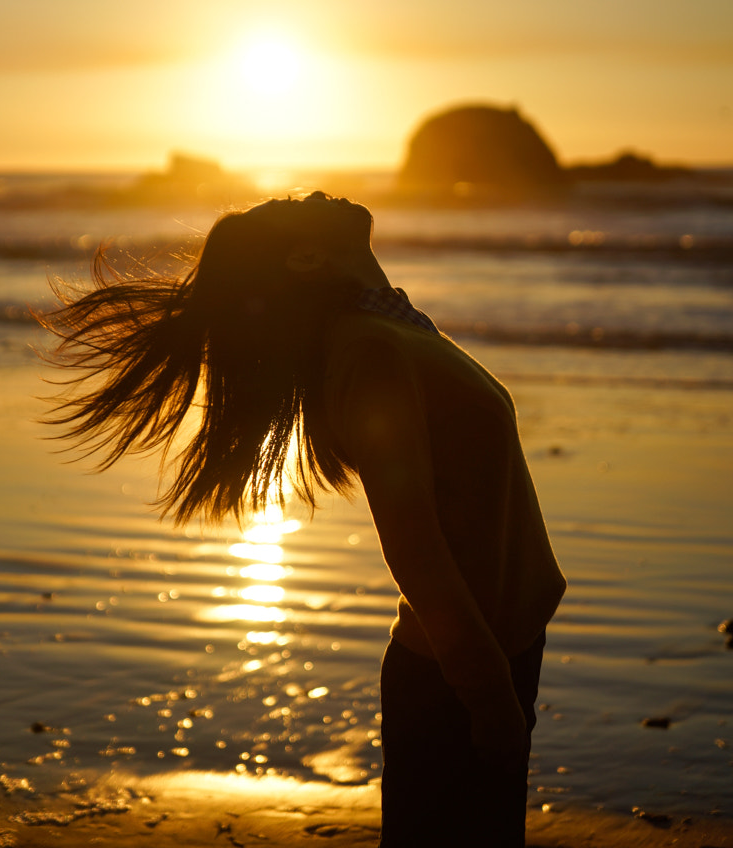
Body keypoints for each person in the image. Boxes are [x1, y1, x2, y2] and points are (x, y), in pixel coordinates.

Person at [39, 191, 566, 847]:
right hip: (459, 668)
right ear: (309, 256)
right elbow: (416, 549)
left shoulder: (387, 333)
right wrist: (486, 694)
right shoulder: (371, 353)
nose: (321, 192)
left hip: (484, 651)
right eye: (303, 204)